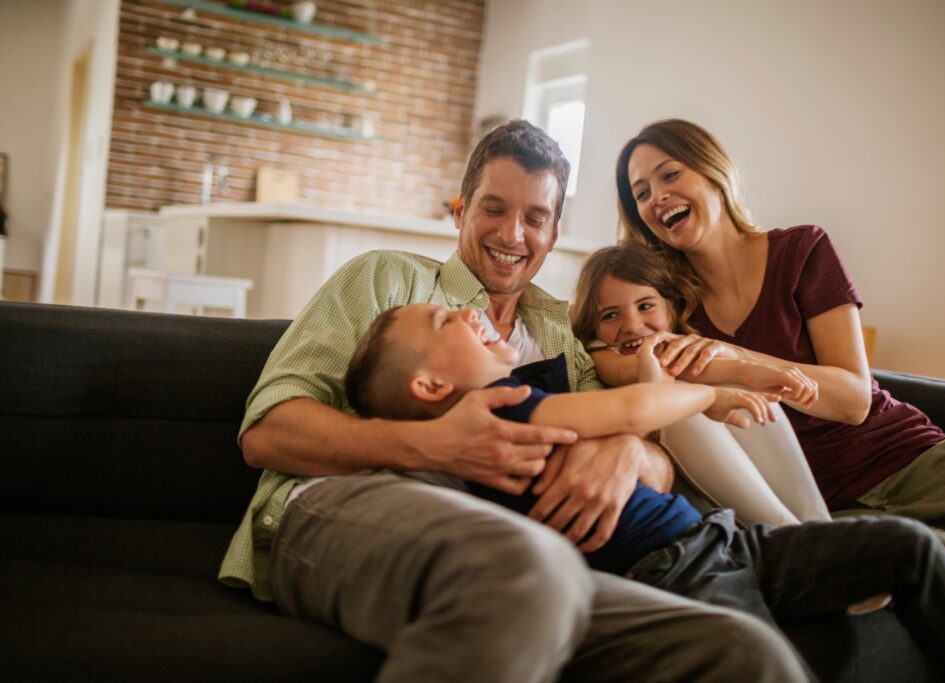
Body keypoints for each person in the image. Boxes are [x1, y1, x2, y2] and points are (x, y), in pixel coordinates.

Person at [218, 119, 812, 683]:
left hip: (535, 548)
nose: (512, 235)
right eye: (494, 209)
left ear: (553, 233)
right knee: (526, 568)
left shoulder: (561, 331)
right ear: (461, 211)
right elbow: (268, 432)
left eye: (535, 217)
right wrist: (433, 445)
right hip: (356, 505)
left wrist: (631, 454)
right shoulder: (388, 281)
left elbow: (648, 450)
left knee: (742, 650)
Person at [342, 300, 945, 681]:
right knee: (768, 663)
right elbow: (636, 409)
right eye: (444, 323)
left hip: (727, 543)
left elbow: (634, 420)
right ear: (431, 386)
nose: (465, 312)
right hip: (678, 570)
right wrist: (714, 393)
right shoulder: (502, 411)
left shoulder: (520, 397)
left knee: (908, 547)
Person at [614, 117, 945, 653]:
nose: (657, 198)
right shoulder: (669, 309)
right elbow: (614, 356)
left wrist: (740, 358)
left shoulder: (802, 250)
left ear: (713, 171)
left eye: (670, 175)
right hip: (828, 504)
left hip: (910, 459)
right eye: (641, 193)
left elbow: (853, 399)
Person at [570, 240, 830, 528]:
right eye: (610, 315)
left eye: (645, 306)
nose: (632, 325)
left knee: (740, 392)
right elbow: (660, 365)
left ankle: (816, 522)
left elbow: (692, 367)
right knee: (683, 404)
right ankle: (783, 529)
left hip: (706, 457)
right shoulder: (602, 353)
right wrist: (749, 370)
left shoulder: (687, 343)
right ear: (593, 324)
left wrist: (747, 377)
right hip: (657, 457)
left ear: (671, 308)